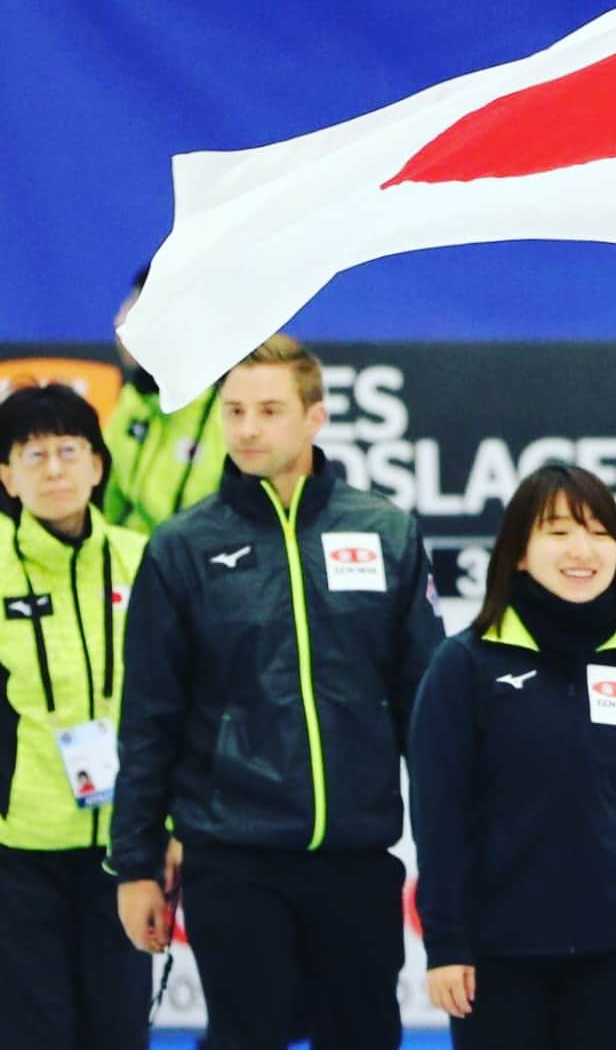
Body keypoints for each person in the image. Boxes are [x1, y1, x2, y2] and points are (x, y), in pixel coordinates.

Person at [108, 333, 445, 1050]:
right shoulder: (182, 547)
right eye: (233, 411)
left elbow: (428, 708)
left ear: (314, 415)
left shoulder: (384, 531)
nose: (248, 428)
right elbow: (148, 720)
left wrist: (458, 845)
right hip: (232, 857)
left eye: (268, 409)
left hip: (356, 857)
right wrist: (137, 862)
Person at [409, 464, 616, 1050]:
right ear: (518, 554)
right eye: (558, 531)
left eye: (600, 532)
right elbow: (437, 816)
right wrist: (446, 944)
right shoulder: (465, 665)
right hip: (499, 958)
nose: (583, 549)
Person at [0, 383, 150, 1049]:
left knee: (117, 1030)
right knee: (36, 1031)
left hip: (125, 848)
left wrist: (166, 829)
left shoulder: (146, 559)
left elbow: (178, 701)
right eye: (33, 454)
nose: (54, 468)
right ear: (6, 475)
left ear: (98, 463)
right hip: (18, 850)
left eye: (69, 449)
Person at [103, 265, 226, 534]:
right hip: (131, 569)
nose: (118, 323)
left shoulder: (228, 409)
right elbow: (105, 510)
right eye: (126, 308)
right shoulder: (132, 400)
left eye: (134, 311)